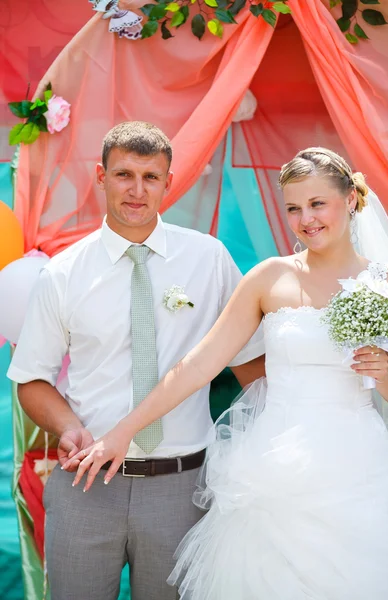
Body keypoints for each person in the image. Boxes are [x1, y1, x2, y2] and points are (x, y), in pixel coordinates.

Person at [66, 147, 388, 599]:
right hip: (275, 465)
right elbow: (199, 364)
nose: (306, 219)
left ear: (351, 201)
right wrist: (124, 430)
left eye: (318, 203)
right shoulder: (268, 278)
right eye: (294, 208)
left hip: (358, 466)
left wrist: (383, 374)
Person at [7, 121, 265, 600]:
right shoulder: (62, 273)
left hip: (184, 486)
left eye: (151, 177)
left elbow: (252, 366)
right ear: (101, 177)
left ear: (169, 183)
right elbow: (31, 379)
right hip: (86, 483)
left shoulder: (209, 259)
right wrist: (67, 427)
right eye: (125, 174)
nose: (137, 190)